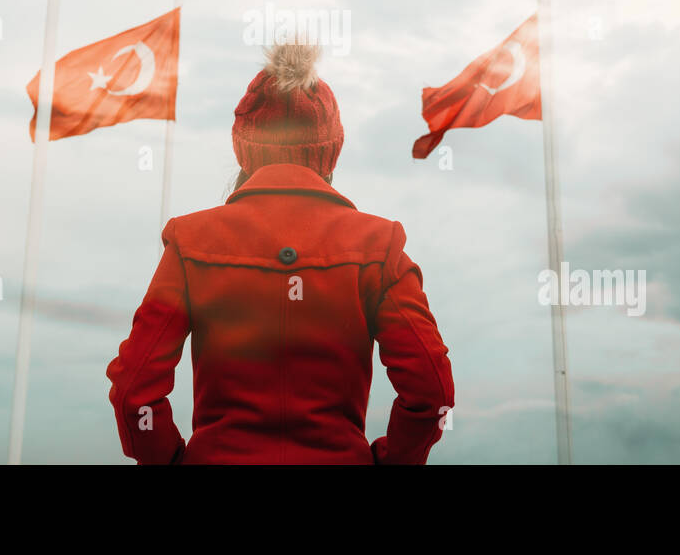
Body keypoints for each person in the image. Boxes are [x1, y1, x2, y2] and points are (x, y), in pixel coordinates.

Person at [106, 42, 455, 464]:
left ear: (244, 148)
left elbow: (133, 391)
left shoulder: (191, 241)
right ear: (330, 148)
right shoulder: (379, 246)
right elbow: (431, 392)